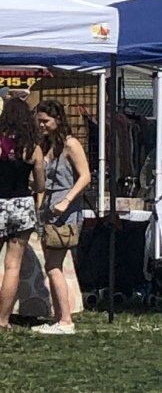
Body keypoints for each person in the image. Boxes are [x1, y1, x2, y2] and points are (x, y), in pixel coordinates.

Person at [30, 99, 89, 336]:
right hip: (48, 208)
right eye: (39, 122)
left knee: (54, 266)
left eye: (45, 121)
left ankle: (65, 320)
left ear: (57, 119)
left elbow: (85, 176)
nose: (42, 125)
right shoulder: (46, 146)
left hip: (65, 210)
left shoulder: (71, 144)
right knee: (51, 265)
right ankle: (58, 318)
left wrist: (67, 200)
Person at [0, 96, 43, 330]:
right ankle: (3, 320)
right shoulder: (32, 148)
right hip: (22, 205)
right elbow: (40, 185)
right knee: (12, 266)